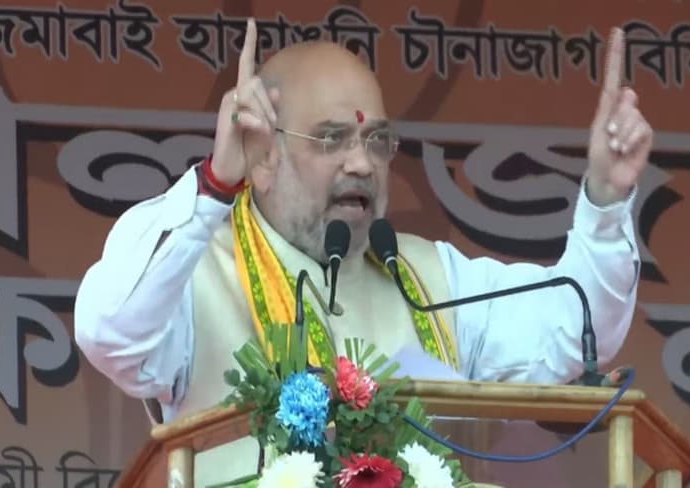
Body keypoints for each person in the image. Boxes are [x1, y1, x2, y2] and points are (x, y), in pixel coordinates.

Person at [74, 19, 651, 484]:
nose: (361, 163)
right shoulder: (194, 271)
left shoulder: (427, 278)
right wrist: (215, 183)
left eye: (376, 140)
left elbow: (574, 333)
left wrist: (605, 197)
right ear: (264, 155)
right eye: (332, 139)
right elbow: (111, 332)